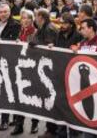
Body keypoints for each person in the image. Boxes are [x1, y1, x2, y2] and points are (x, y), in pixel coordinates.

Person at [0, 3, 21, 131]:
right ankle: (4, 120)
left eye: (6, 11)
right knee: (4, 92)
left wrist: (1, 41)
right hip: (0, 61)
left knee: (14, 90)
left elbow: (15, 42)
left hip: (13, 62)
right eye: (1, 12)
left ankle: (15, 118)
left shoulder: (16, 25)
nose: (3, 14)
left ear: (10, 12)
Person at [31, 9, 58, 138]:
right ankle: (50, 129)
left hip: (50, 69)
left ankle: (52, 130)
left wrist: (36, 43)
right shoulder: (43, 28)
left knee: (51, 99)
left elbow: (49, 47)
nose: (35, 19)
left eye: (36, 16)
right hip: (45, 68)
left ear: (41, 17)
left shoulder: (49, 29)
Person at [11, 9, 39, 135]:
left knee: (34, 97)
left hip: (32, 69)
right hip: (20, 68)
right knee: (19, 97)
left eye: (27, 18)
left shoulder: (36, 33)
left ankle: (34, 123)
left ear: (32, 19)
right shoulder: (20, 31)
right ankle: (19, 124)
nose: (25, 20)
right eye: (23, 18)